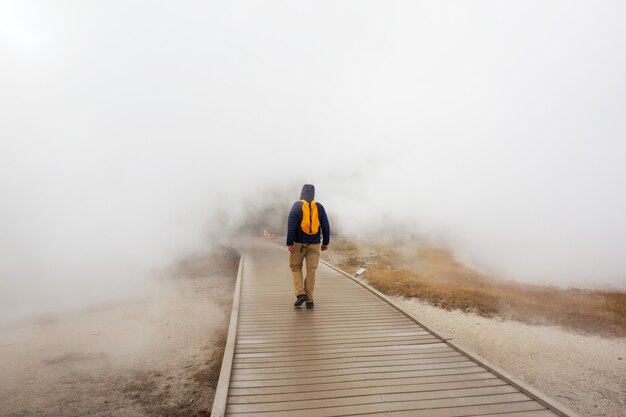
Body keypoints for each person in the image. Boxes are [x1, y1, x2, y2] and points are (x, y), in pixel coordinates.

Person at [287, 184, 330, 308]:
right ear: (313, 194)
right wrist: (325, 243)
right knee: (311, 272)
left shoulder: (297, 206)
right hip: (314, 244)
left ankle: (300, 294)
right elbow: (326, 226)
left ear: (302, 193)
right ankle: (310, 300)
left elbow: (291, 226)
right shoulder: (319, 207)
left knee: (296, 268)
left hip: (298, 244)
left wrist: (289, 243)